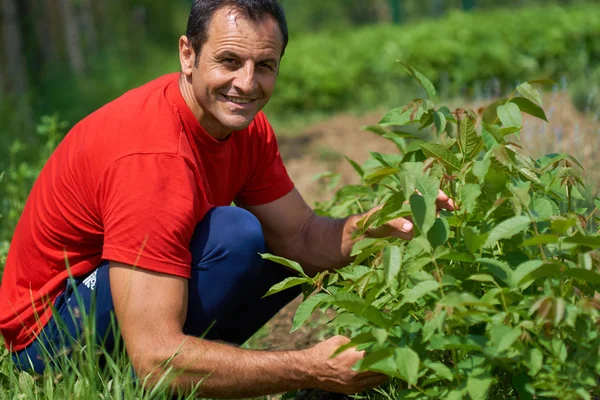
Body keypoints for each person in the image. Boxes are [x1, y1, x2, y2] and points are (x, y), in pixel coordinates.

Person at [0, 0, 454, 397]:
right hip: (49, 337)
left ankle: (203, 367)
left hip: (127, 294)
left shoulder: (246, 129)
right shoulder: (152, 155)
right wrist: (309, 368)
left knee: (269, 249)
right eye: (229, 61)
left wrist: (376, 226)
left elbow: (299, 237)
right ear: (187, 55)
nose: (246, 83)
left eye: (265, 65)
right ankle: (150, 379)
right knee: (235, 235)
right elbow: (155, 357)